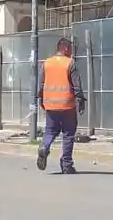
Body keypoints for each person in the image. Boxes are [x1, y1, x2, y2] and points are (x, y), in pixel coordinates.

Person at [36, 37, 86, 174]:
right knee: (68, 134)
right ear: (65, 48)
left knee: (50, 131)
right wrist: (81, 100)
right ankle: (66, 165)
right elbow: (76, 84)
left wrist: (41, 99)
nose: (71, 52)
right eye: (70, 49)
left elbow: (41, 84)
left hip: (50, 105)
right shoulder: (70, 63)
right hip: (67, 105)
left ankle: (44, 146)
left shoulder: (47, 63)